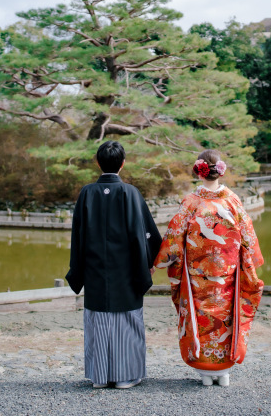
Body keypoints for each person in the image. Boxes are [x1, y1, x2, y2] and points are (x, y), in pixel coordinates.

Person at [153, 149, 264, 386]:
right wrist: (251, 261)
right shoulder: (233, 200)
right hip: (228, 276)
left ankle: (205, 372)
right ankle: (223, 370)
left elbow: (174, 239)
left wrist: (159, 263)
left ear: (198, 171)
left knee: (202, 318)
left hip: (198, 278)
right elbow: (248, 237)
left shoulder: (191, 202)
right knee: (226, 318)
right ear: (220, 171)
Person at [66, 141, 162, 389]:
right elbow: (145, 234)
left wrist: (78, 270)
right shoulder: (130, 193)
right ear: (123, 163)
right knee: (127, 323)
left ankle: (100, 377)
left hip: (95, 269)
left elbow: (78, 235)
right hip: (127, 272)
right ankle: (125, 377)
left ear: (98, 163)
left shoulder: (87, 193)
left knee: (98, 321)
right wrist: (149, 262)